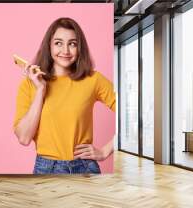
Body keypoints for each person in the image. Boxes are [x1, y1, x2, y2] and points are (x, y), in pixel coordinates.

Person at [13, 17, 116, 174]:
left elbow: (133, 116)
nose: (66, 51)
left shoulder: (93, 80)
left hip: (84, 168)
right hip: (46, 169)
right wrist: (40, 90)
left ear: (80, 48)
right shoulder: (30, 84)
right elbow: (24, 138)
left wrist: (104, 151)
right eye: (58, 43)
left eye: (72, 44)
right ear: (49, 46)